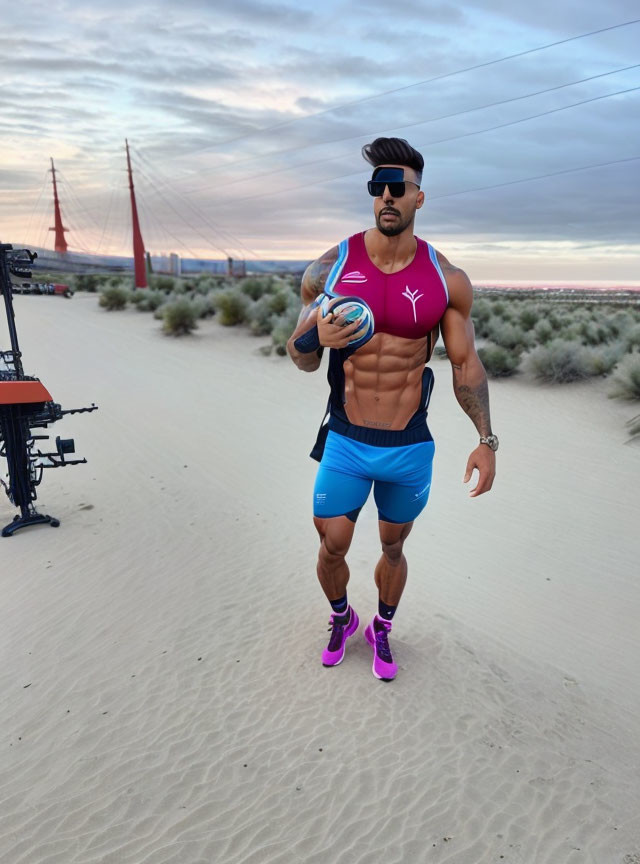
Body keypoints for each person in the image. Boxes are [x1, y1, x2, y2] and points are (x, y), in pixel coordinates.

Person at [286, 137, 497, 681]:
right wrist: (316, 340)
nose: (385, 196)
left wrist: (486, 439)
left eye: (397, 187)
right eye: (376, 187)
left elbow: (466, 365)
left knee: (393, 546)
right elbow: (300, 357)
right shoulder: (328, 270)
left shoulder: (445, 278)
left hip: (408, 444)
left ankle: (381, 627)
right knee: (332, 542)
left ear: (418, 198)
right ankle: (341, 616)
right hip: (347, 438)